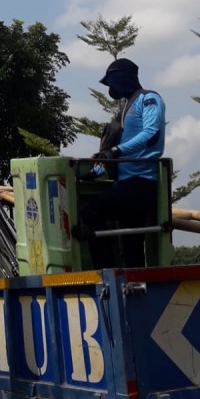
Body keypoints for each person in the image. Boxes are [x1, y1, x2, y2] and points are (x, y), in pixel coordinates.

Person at [79, 58, 166, 268]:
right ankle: (132, 283)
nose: (111, 89)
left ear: (122, 78)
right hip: (125, 183)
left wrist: (116, 151)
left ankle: (106, 271)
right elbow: (114, 154)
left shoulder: (149, 98)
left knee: (90, 212)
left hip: (142, 182)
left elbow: (151, 134)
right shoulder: (125, 107)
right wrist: (95, 171)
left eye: (111, 82)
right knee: (131, 248)